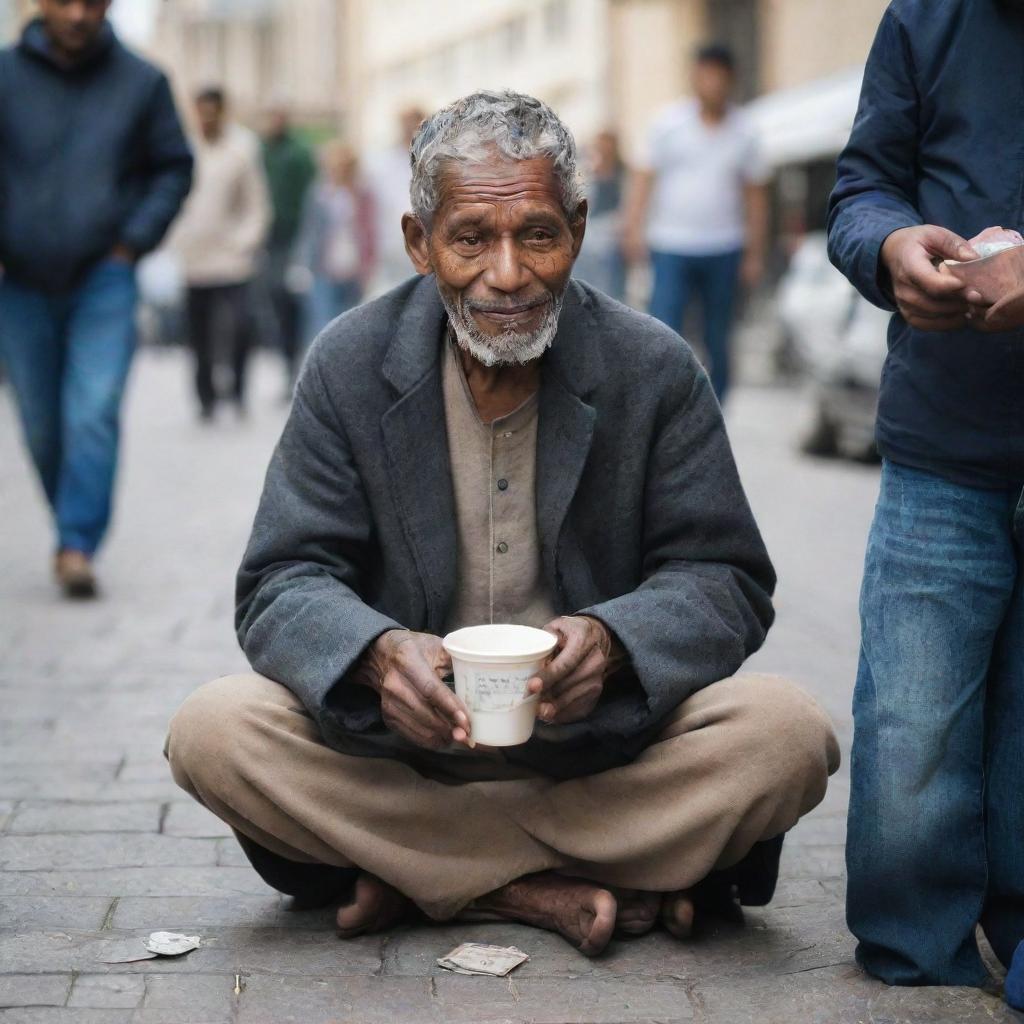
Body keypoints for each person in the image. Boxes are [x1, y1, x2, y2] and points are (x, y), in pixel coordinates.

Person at [166, 90, 838, 955]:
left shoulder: (655, 368)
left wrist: (615, 640)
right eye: (472, 238)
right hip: (401, 755)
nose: (509, 274)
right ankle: (542, 888)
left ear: (580, 231)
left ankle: (431, 875)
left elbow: (726, 578)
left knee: (787, 734)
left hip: (604, 757)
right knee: (213, 731)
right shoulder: (348, 363)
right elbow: (281, 582)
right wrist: (375, 657)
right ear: (419, 244)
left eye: (538, 235)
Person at [828, 0, 1024, 989]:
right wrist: (888, 247)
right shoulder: (925, 19)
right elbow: (861, 187)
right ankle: (923, 964)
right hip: (941, 446)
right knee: (910, 760)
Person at [0, 0, 192, 598]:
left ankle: (76, 542)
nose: (79, 14)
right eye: (64, 1)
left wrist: (132, 243)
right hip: (21, 280)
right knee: (40, 422)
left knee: (93, 409)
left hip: (104, 278)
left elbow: (173, 168)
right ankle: (71, 521)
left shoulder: (142, 81)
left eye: (93, 2)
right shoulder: (4, 76)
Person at [624, 43, 769, 403]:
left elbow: (756, 196)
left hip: (724, 246)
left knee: (718, 335)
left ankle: (715, 409)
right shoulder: (668, 124)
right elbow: (644, 178)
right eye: (704, 74)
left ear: (731, 79)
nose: (711, 83)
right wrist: (633, 228)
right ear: (694, 77)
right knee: (663, 329)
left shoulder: (745, 131)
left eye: (718, 76)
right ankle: (661, 404)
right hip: (670, 244)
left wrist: (754, 255)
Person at [172, 87, 270, 420]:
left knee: (241, 324)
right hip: (194, 256)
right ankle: (206, 398)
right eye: (201, 112)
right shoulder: (182, 147)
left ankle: (238, 391)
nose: (206, 119)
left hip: (232, 257)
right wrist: (177, 241)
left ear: (222, 112)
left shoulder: (243, 148)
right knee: (198, 332)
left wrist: (246, 241)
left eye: (212, 112)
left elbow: (256, 203)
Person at [294, 142, 375, 339]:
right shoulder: (318, 194)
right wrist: (301, 264)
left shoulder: (362, 195)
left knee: (350, 327)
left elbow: (370, 232)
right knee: (322, 325)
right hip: (323, 267)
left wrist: (369, 266)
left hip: (353, 268)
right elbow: (309, 231)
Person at [261, 105, 316, 389]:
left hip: (295, 238)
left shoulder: (298, 153)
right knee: (273, 299)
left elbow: (311, 197)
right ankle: (286, 363)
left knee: (291, 299)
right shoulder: (260, 151)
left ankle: (296, 364)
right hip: (266, 238)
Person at [364, 106, 426, 297]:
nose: (410, 128)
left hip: (423, 240)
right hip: (390, 243)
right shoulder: (382, 162)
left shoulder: (432, 158)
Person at [572, 130, 627, 303]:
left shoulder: (623, 174)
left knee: (612, 286)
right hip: (591, 237)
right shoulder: (587, 171)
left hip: (614, 236)